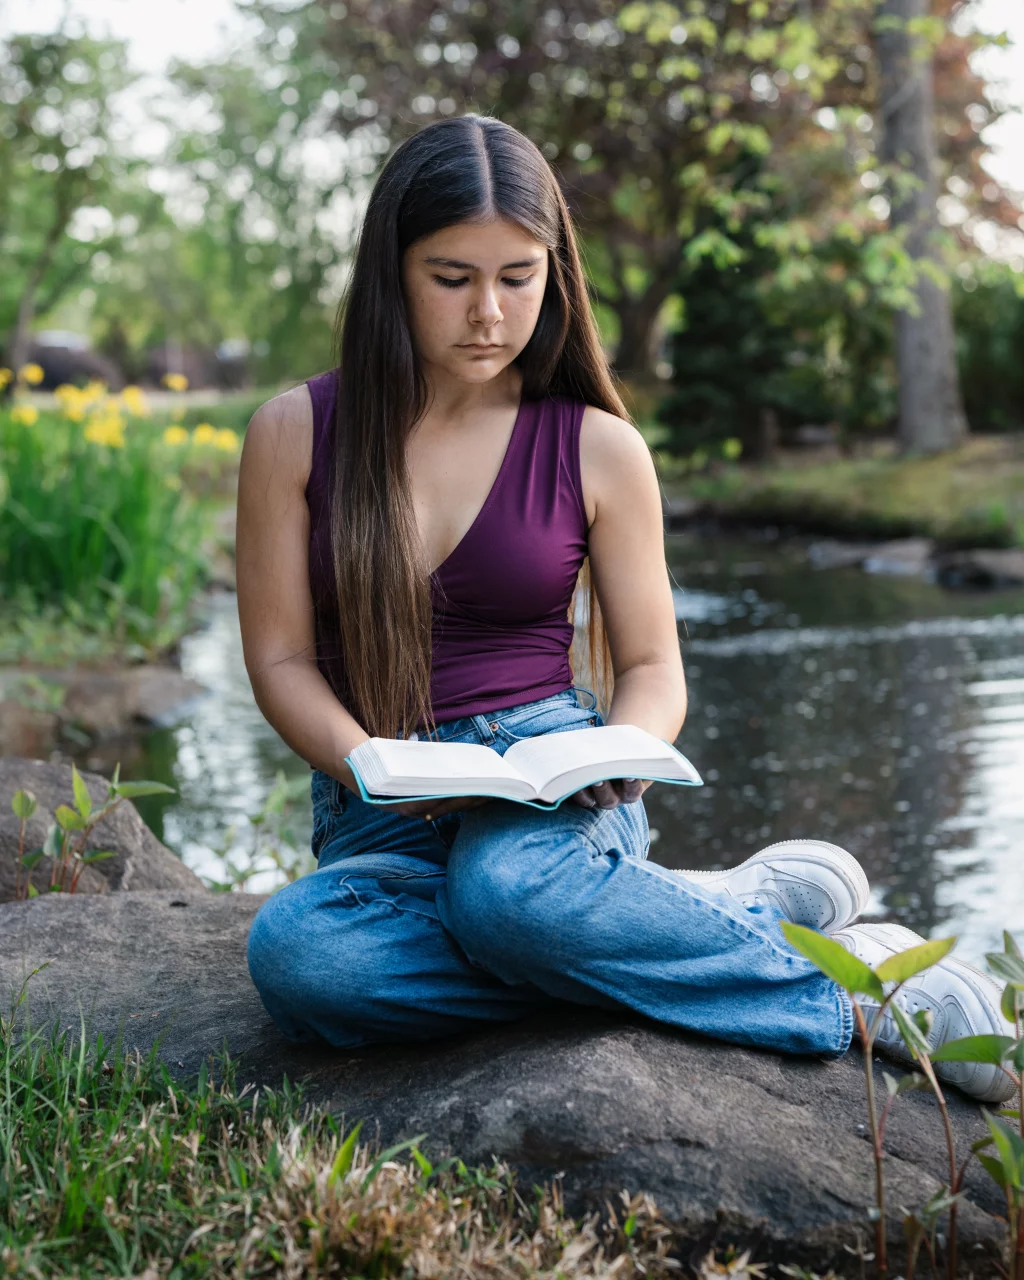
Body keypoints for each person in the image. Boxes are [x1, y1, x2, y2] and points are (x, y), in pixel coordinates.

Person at [238, 115, 1011, 1103]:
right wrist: (365, 764)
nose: (487, 310)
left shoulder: (597, 445)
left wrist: (623, 756)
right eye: (451, 277)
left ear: (553, 273)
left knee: (507, 893)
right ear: (391, 270)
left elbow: (650, 666)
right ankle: (708, 914)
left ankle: (863, 1002)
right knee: (308, 961)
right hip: (381, 803)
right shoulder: (294, 432)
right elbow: (280, 659)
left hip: (546, 788)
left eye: (518, 276)